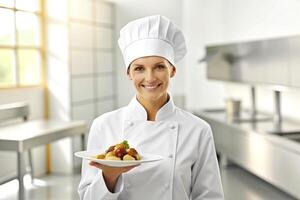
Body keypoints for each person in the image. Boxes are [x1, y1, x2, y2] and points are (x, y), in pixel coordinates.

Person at [78, 15, 224, 200]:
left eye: (159, 67)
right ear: (129, 73)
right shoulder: (104, 125)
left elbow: (210, 196)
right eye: (139, 68)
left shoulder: (198, 130)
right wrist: (109, 177)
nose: (150, 78)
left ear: (172, 70)